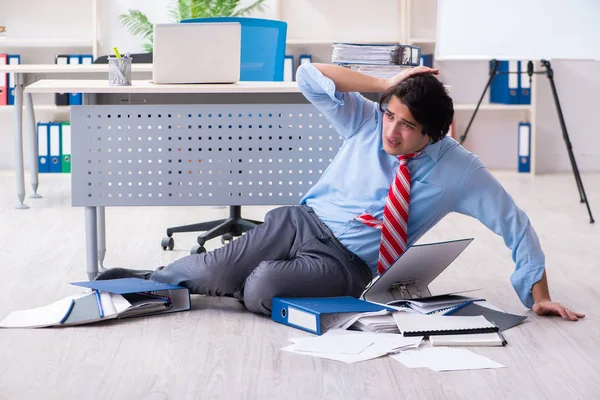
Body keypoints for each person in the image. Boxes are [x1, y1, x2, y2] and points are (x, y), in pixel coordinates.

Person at [97, 62, 584, 321]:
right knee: (210, 267)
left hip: (347, 263)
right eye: (389, 115)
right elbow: (309, 76)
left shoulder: (460, 171)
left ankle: (216, 284)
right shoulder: (368, 120)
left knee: (261, 288)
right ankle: (152, 279)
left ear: (435, 132)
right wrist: (383, 84)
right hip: (300, 222)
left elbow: (514, 224)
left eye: (407, 126)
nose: (391, 133)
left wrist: (537, 295)